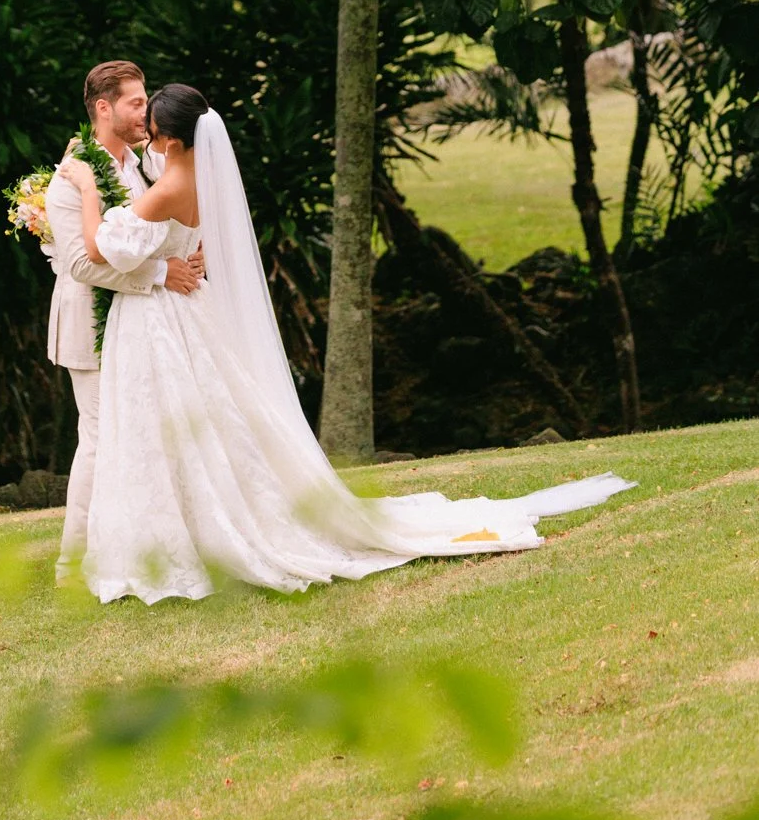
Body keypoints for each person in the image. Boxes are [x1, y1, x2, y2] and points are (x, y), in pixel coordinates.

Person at [59, 83, 633, 605]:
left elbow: (101, 247)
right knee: (188, 430)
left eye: (156, 129)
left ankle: (176, 543)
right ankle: (180, 532)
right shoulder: (196, 182)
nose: (149, 137)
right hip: (180, 316)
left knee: (164, 432)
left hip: (162, 323)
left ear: (174, 137)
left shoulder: (169, 186)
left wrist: (86, 188)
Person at [44, 60, 204, 578]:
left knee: (149, 433)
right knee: (97, 437)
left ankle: (147, 545)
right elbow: (79, 263)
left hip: (147, 327)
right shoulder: (72, 178)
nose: (145, 111)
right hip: (90, 326)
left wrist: (188, 259)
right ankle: (73, 560)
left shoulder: (147, 165)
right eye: (136, 102)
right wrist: (162, 273)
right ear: (103, 108)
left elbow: (169, 220)